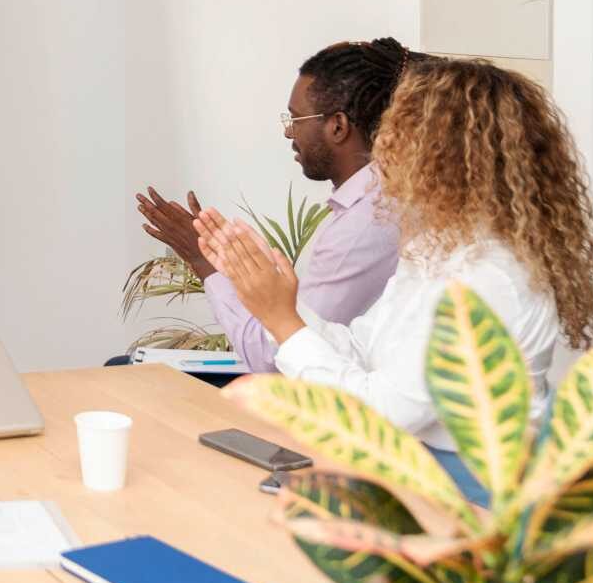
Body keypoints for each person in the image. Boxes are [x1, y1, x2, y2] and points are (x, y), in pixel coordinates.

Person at [198, 56, 593, 505]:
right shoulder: (439, 250)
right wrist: (276, 301)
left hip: (481, 506)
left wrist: (283, 322)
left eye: (399, 134)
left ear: (443, 155)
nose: (384, 150)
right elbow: (362, 351)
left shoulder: (488, 276)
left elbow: (383, 416)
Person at [134, 38, 409, 372]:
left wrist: (203, 260)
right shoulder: (377, 202)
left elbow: (274, 359)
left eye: (296, 119)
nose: (288, 132)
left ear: (338, 126)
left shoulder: (364, 225)